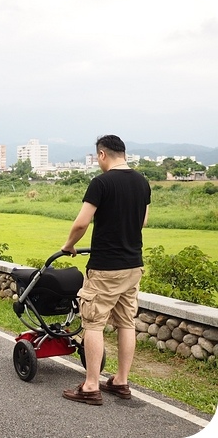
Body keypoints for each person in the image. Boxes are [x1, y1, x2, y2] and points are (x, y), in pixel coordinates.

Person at [61, 135, 151, 406]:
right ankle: (121, 381)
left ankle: (90, 386)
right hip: (133, 265)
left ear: (102, 154)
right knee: (126, 322)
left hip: (105, 268)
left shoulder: (101, 183)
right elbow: (143, 222)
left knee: (93, 324)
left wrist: (69, 245)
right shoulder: (142, 182)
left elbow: (81, 223)